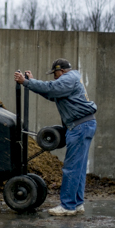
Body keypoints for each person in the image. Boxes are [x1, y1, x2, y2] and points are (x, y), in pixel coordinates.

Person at [14, 58, 97, 216]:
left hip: (79, 127)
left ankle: (68, 206)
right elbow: (51, 94)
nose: (54, 77)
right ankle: (77, 203)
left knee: (71, 168)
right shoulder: (71, 79)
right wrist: (31, 82)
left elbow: (51, 88)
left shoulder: (68, 78)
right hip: (84, 125)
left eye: (55, 73)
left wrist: (25, 82)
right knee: (78, 169)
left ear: (61, 71)